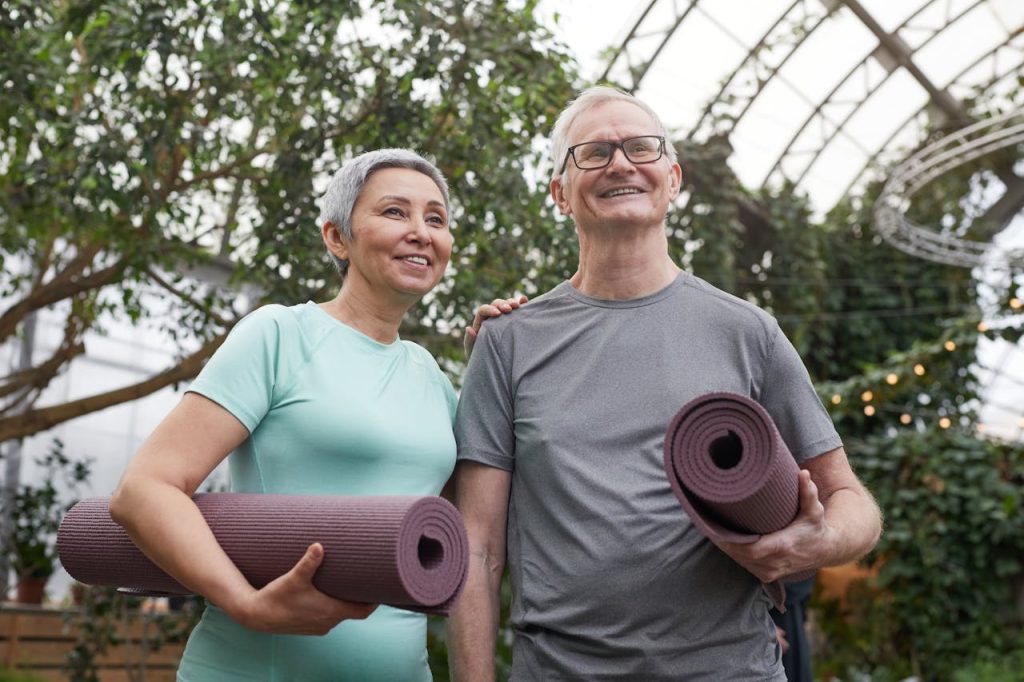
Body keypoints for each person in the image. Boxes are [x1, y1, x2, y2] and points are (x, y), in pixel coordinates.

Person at [447, 87, 883, 681]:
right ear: (559, 195)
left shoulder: (748, 331)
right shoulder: (507, 341)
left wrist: (814, 542)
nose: (622, 163)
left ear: (672, 179)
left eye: (641, 148)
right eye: (594, 152)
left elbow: (853, 503)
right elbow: (476, 549)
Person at [110, 148, 523, 681]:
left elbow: (469, 525)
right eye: (395, 212)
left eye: (436, 218)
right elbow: (143, 489)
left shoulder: (430, 375)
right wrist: (244, 603)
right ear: (337, 237)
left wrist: (497, 366)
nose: (421, 231)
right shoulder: (279, 335)